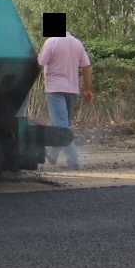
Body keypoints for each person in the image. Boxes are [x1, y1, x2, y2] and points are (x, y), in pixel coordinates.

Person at [37, 31, 92, 170]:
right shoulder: (77, 43)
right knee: (64, 124)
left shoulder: (51, 42)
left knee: (61, 125)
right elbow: (86, 67)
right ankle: (53, 154)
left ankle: (73, 160)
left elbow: (40, 63)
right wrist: (88, 89)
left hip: (55, 88)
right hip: (72, 89)